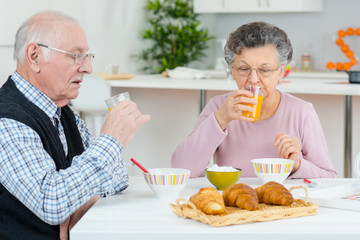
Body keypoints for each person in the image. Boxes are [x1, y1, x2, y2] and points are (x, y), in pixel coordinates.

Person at [0, 11, 150, 240]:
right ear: (35, 56)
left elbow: (119, 176)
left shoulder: (62, 112)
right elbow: (51, 201)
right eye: (76, 56)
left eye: (87, 56)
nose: (88, 68)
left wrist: (83, 199)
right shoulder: (6, 120)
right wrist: (111, 140)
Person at [172, 21, 336, 179]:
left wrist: (297, 165)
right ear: (232, 71)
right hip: (233, 203)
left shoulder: (302, 112)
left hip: (281, 205)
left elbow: (329, 177)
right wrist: (221, 118)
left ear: (281, 73)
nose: (253, 79)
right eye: (244, 69)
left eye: (264, 70)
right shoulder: (219, 107)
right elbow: (181, 170)